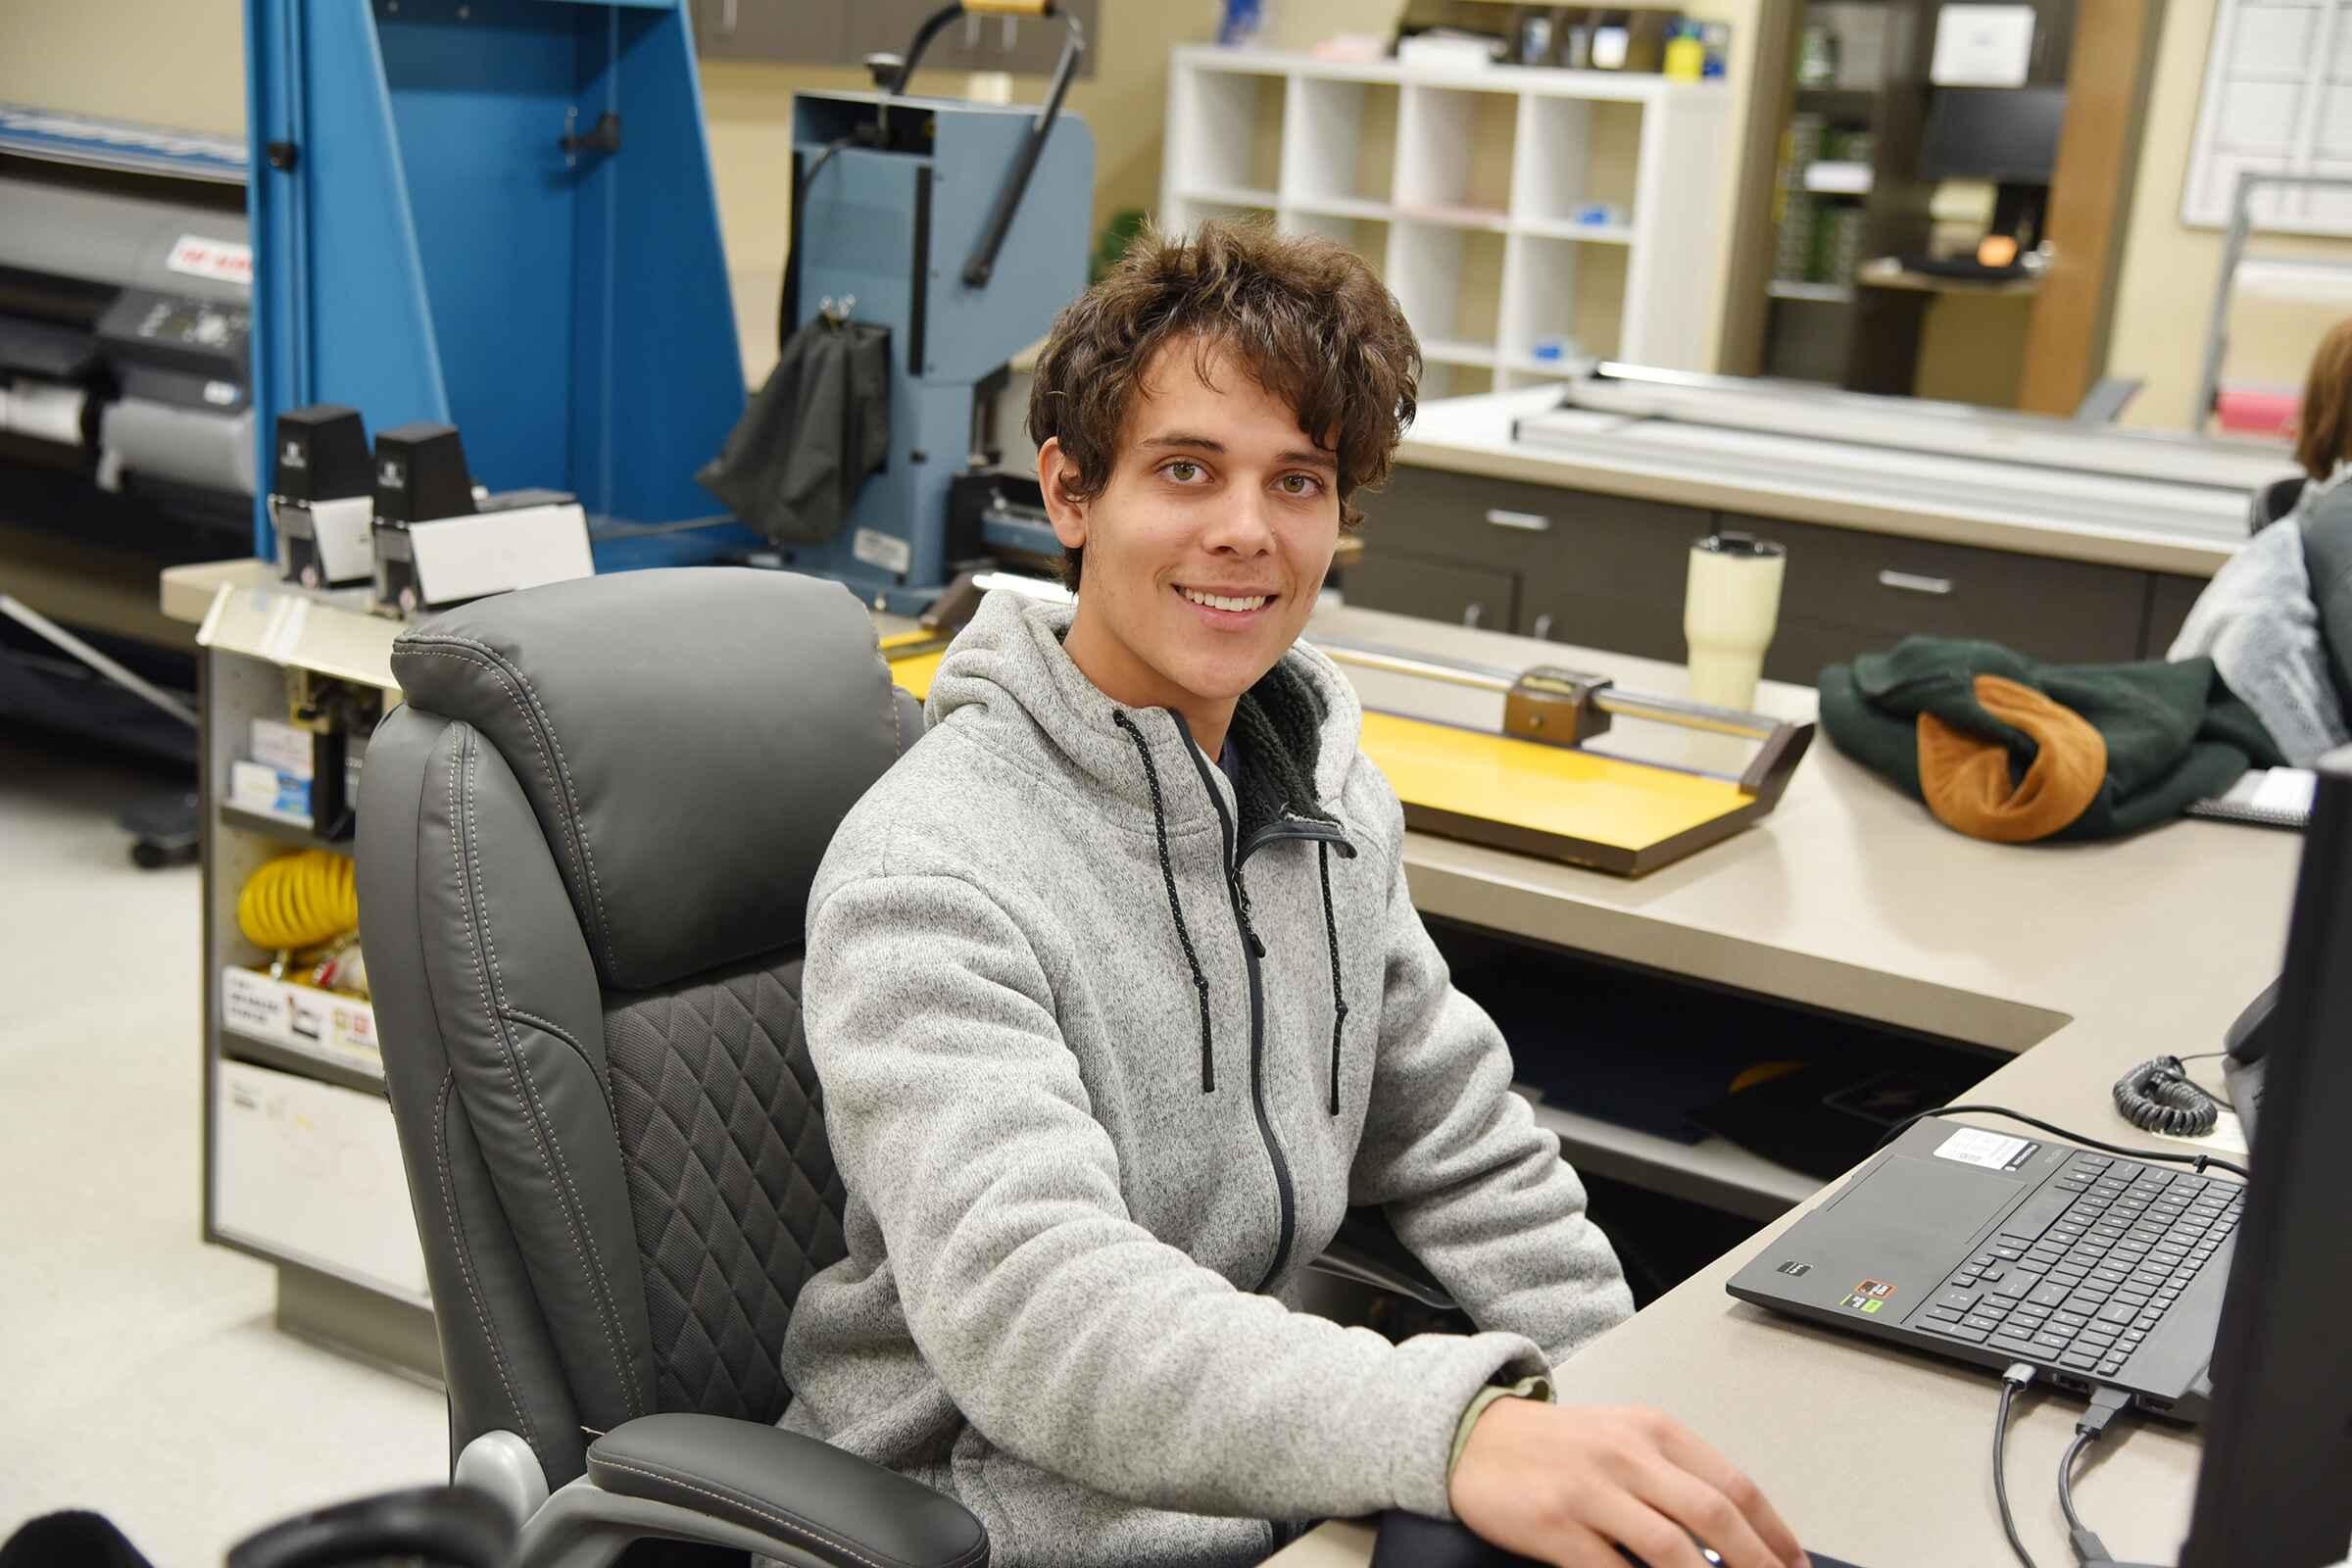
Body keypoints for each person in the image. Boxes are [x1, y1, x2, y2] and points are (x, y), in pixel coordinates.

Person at [777, 220, 1808, 1568]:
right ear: (1071, 495)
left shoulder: (1323, 800)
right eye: (1187, 470)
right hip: (986, 1520)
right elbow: (1038, 1312)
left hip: (1261, 1486)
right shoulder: (932, 865)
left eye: (1300, 481)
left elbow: (1459, 1139)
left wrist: (1625, 1411)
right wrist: (1455, 1432)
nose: (1247, 533)